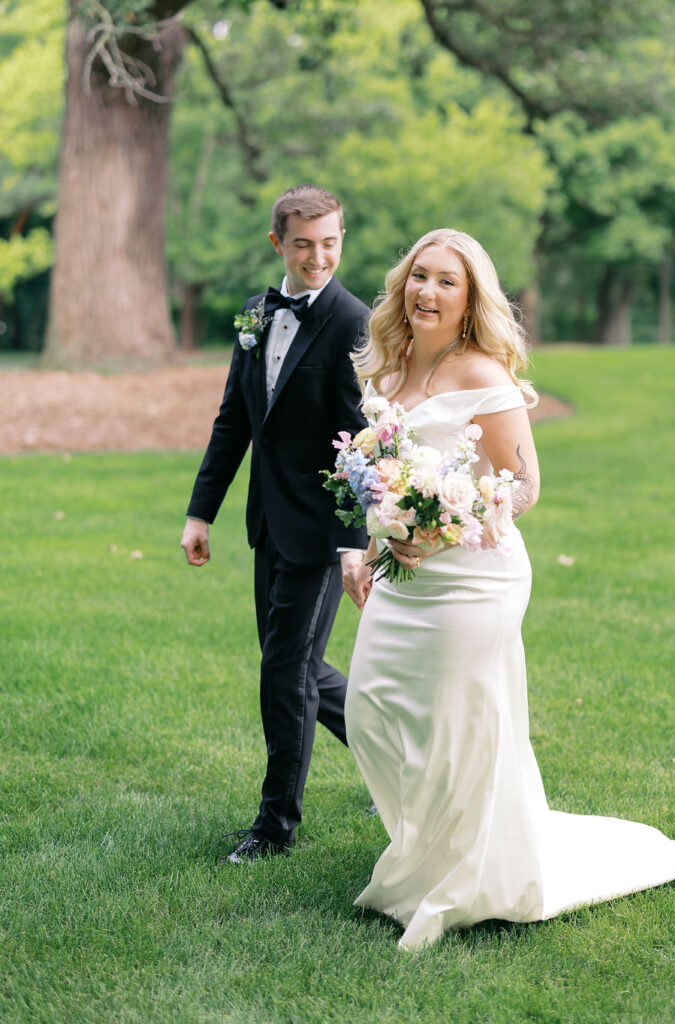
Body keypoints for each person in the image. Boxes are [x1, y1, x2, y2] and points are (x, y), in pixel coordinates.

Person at [343, 228, 675, 950]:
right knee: (368, 708)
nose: (428, 292)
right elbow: (378, 477)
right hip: (403, 577)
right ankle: (427, 849)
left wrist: (439, 525)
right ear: (402, 284)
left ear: (470, 297)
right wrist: (370, 544)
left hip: (474, 577)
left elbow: (525, 488)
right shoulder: (387, 370)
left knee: (462, 729)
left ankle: (457, 879)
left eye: (448, 281)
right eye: (420, 276)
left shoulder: (484, 373)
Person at [181, 184, 370, 863]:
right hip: (269, 521)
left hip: (323, 533)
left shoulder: (353, 323)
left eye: (330, 243)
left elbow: (359, 440)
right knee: (296, 665)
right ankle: (402, 763)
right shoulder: (255, 315)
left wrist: (354, 542)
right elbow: (234, 420)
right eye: (302, 244)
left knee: (284, 672)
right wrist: (201, 510)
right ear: (277, 244)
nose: (317, 257)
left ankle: (273, 826)